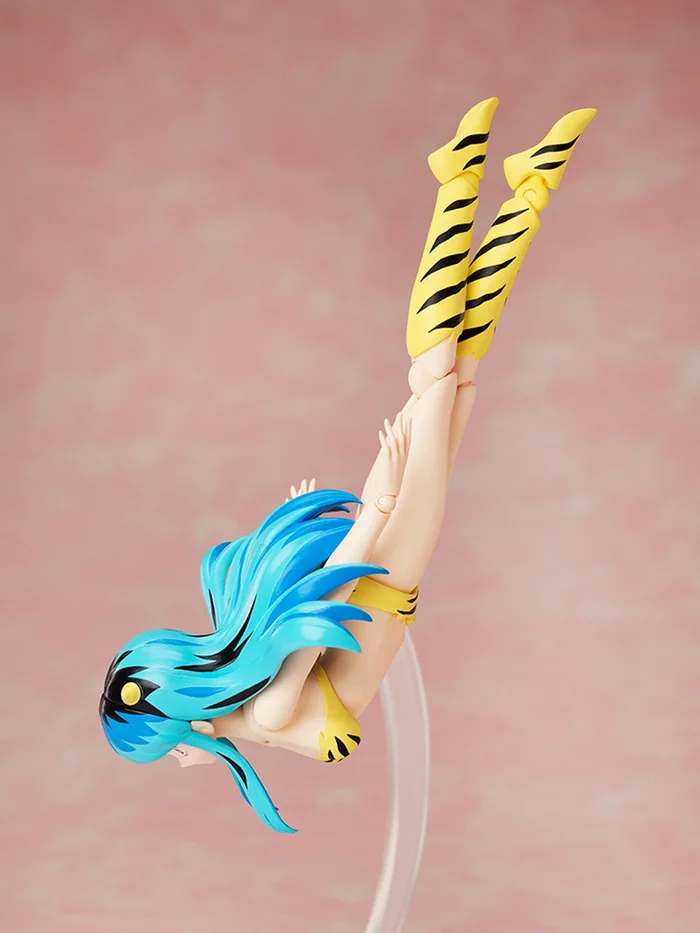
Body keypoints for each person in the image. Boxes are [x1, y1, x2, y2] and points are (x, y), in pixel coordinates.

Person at [100, 98, 595, 832]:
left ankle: (465, 182)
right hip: (388, 567)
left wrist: (375, 509)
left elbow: (326, 597)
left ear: (180, 725)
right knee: (457, 382)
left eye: (167, 749)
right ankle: (524, 184)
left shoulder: (269, 710)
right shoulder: (254, 704)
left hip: (388, 562)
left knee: (437, 380)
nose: (177, 759)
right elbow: (300, 617)